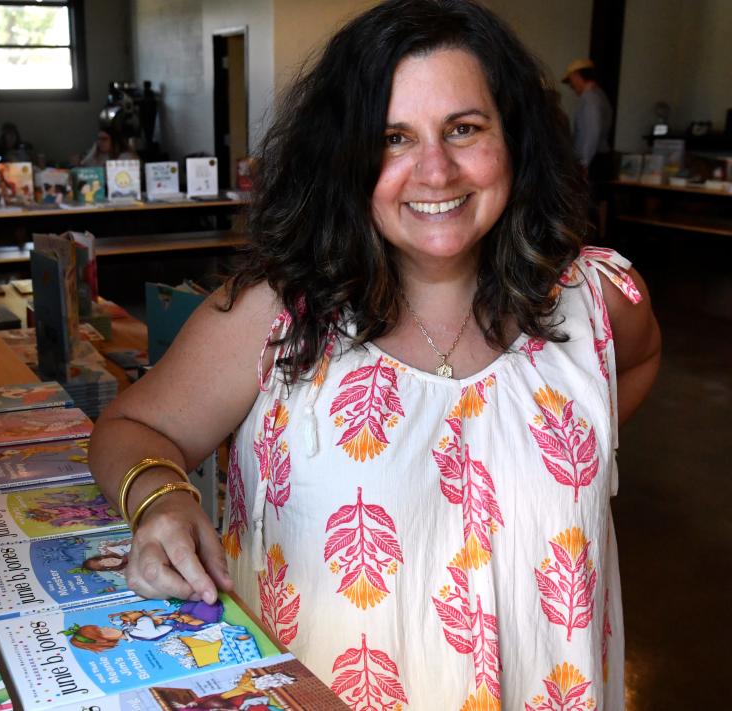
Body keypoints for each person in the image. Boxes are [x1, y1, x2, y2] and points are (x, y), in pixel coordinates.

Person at [86, 1, 661, 708]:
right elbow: (134, 428)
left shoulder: (598, 298)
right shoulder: (275, 315)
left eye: (465, 129)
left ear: (514, 138)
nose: (436, 170)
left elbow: (633, 363)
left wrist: (553, 451)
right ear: (345, 157)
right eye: (393, 137)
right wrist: (161, 497)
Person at [563, 58, 614, 183]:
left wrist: (584, 164)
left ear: (576, 76)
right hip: (597, 159)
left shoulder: (590, 99)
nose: (571, 86)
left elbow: (592, 132)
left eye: (570, 81)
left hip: (592, 161)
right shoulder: (600, 95)